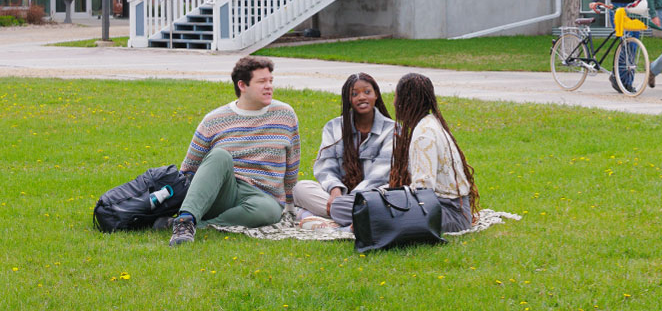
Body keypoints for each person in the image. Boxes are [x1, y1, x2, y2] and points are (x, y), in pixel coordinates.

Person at [167, 56, 300, 247]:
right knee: (220, 155)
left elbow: (292, 165)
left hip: (262, 197)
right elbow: (189, 168)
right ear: (242, 85)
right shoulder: (214, 119)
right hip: (223, 190)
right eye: (261, 82)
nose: (269, 86)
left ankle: (201, 226)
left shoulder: (285, 115)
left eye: (270, 81)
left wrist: (290, 205)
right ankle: (184, 222)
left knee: (269, 212)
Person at [293, 73, 396, 228]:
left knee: (386, 196)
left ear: (376, 95)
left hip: (371, 196)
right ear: (348, 99)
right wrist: (335, 191)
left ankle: (324, 219)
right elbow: (326, 166)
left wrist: (348, 201)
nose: (361, 97)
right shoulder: (333, 127)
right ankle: (351, 220)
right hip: (340, 197)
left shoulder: (392, 130)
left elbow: (380, 175)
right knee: (300, 188)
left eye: (367, 92)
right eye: (354, 94)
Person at [389, 72, 478, 233]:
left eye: (396, 97)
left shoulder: (423, 135)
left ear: (406, 102)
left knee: (381, 217)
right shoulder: (429, 122)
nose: (394, 103)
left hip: (451, 215)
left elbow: (423, 190)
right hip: (451, 209)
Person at [589, 0, 643, 93]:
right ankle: (622, 81)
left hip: (632, 10)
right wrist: (594, 0)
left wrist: (638, 4)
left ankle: (624, 80)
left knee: (633, 45)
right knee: (624, 45)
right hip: (617, 10)